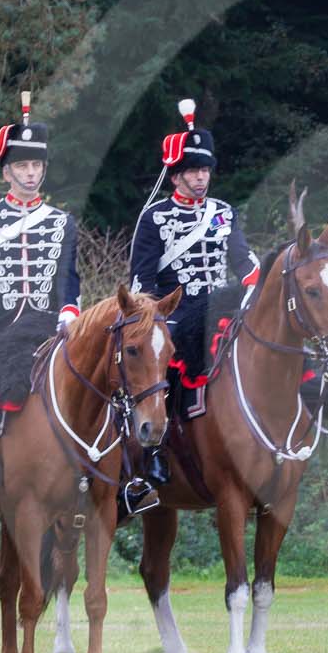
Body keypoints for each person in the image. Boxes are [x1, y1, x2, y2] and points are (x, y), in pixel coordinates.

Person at [0, 94, 81, 517]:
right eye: (22, 166)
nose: (30, 173)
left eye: (36, 166)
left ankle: (99, 478)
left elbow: (69, 277)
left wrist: (69, 311)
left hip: (48, 332)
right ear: (6, 172)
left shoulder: (62, 221)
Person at [129, 98, 256, 485]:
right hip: (176, 315)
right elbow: (142, 284)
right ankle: (157, 453)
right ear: (175, 176)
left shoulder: (223, 211)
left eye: (204, 170)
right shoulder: (154, 218)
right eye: (192, 171)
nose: (201, 178)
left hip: (224, 307)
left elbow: (243, 261)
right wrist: (155, 321)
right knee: (164, 370)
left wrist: (256, 287)